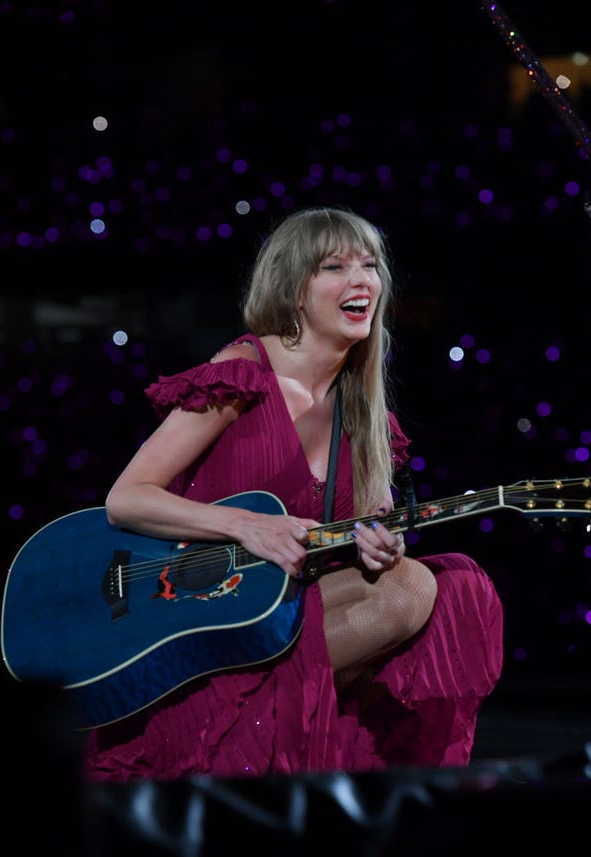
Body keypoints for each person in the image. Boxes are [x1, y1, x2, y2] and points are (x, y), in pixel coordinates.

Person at [83, 206, 503, 781]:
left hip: (283, 623)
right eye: (335, 266)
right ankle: (227, 707)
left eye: (371, 265)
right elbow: (126, 498)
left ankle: (273, 711)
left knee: (445, 590)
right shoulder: (242, 375)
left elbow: (359, 552)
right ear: (294, 290)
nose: (362, 280)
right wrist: (245, 525)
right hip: (197, 627)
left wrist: (377, 549)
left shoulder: (365, 416)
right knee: (414, 590)